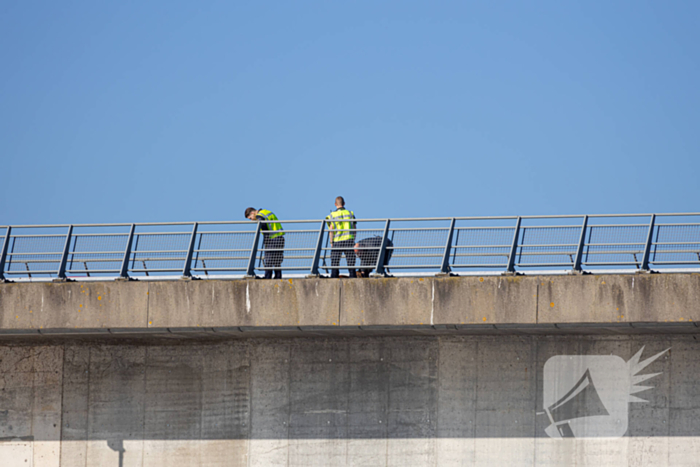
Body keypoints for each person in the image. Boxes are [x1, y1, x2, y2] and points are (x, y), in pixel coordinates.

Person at [244, 207, 285, 279]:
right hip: (280, 237)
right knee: (277, 260)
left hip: (272, 239)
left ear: (252, 213)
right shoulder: (266, 212)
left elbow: (264, 225)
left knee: (268, 259)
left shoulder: (259, 216)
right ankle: (278, 277)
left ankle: (267, 277)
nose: (251, 220)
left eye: (250, 218)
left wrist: (266, 239)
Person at [325, 197, 357, 278]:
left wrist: (331, 242)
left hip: (337, 241)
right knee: (351, 260)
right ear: (344, 203)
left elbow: (331, 230)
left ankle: (334, 277)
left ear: (335, 204)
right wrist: (353, 239)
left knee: (335, 261)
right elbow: (354, 227)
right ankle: (353, 277)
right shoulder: (350, 213)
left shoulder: (332, 215)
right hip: (348, 240)